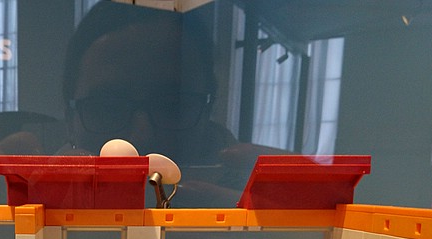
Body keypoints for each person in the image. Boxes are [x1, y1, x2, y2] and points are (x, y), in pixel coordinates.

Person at [61, 2, 291, 208]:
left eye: (173, 106)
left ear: (208, 110)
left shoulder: (251, 194)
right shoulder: (52, 200)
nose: (142, 136)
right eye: (107, 107)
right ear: (70, 120)